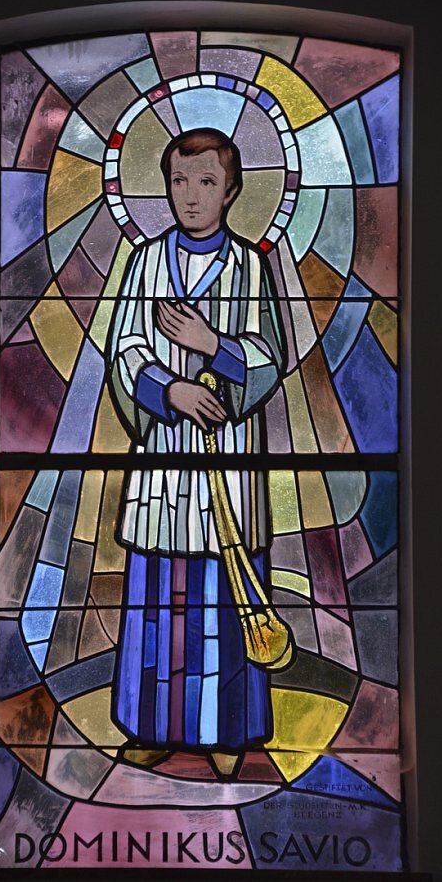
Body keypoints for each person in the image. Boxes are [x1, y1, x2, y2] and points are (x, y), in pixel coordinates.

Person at [108, 128, 287, 761]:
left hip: (228, 460)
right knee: (161, 596)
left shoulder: (249, 266)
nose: (191, 196)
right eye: (179, 181)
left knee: (226, 593)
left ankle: (228, 734)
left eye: (207, 182)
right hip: (164, 458)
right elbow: (125, 349)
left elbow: (269, 360)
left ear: (231, 191)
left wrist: (212, 344)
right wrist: (171, 391)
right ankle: (153, 730)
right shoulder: (145, 262)